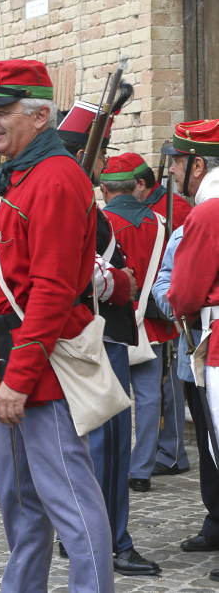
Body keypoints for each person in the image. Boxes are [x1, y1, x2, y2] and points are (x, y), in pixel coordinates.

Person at [0, 59, 113, 592]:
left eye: (1, 111)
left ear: (40, 115)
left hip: (38, 371)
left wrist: (20, 379)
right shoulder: (22, 176)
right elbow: (23, 269)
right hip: (9, 363)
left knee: (71, 506)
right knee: (23, 509)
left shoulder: (52, 178)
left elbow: (51, 291)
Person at [57, 102, 159, 575]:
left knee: (85, 444)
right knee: (109, 445)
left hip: (77, 334)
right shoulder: (77, 206)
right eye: (98, 156)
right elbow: (91, 276)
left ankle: (79, 532)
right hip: (104, 335)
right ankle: (112, 540)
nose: (101, 169)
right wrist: (123, 282)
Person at [98, 154, 178, 493]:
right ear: (138, 186)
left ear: (104, 188)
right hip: (152, 327)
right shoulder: (161, 224)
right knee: (149, 398)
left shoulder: (99, 222)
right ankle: (141, 469)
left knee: (107, 399)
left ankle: (108, 464)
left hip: (110, 325)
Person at [164, 119, 219, 583]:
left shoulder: (204, 215)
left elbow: (181, 294)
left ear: (197, 165)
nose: (174, 172)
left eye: (179, 162)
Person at [124, 151, 193, 478]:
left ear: (140, 185)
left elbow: (180, 260)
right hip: (151, 309)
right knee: (159, 390)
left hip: (166, 307)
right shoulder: (154, 208)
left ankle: (173, 452)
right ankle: (163, 451)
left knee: (169, 387)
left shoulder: (173, 209)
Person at [152, 221, 213, 554]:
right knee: (208, 449)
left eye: (178, 162)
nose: (174, 169)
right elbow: (164, 282)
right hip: (198, 356)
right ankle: (216, 521)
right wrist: (180, 306)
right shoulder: (186, 231)